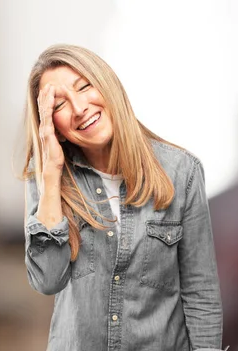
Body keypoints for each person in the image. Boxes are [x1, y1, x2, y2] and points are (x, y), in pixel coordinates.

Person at [21, 44, 224, 351]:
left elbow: (201, 292)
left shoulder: (183, 172)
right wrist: (50, 174)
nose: (79, 108)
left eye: (84, 86)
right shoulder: (49, 178)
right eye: (59, 105)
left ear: (108, 86)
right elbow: (48, 280)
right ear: (55, 128)